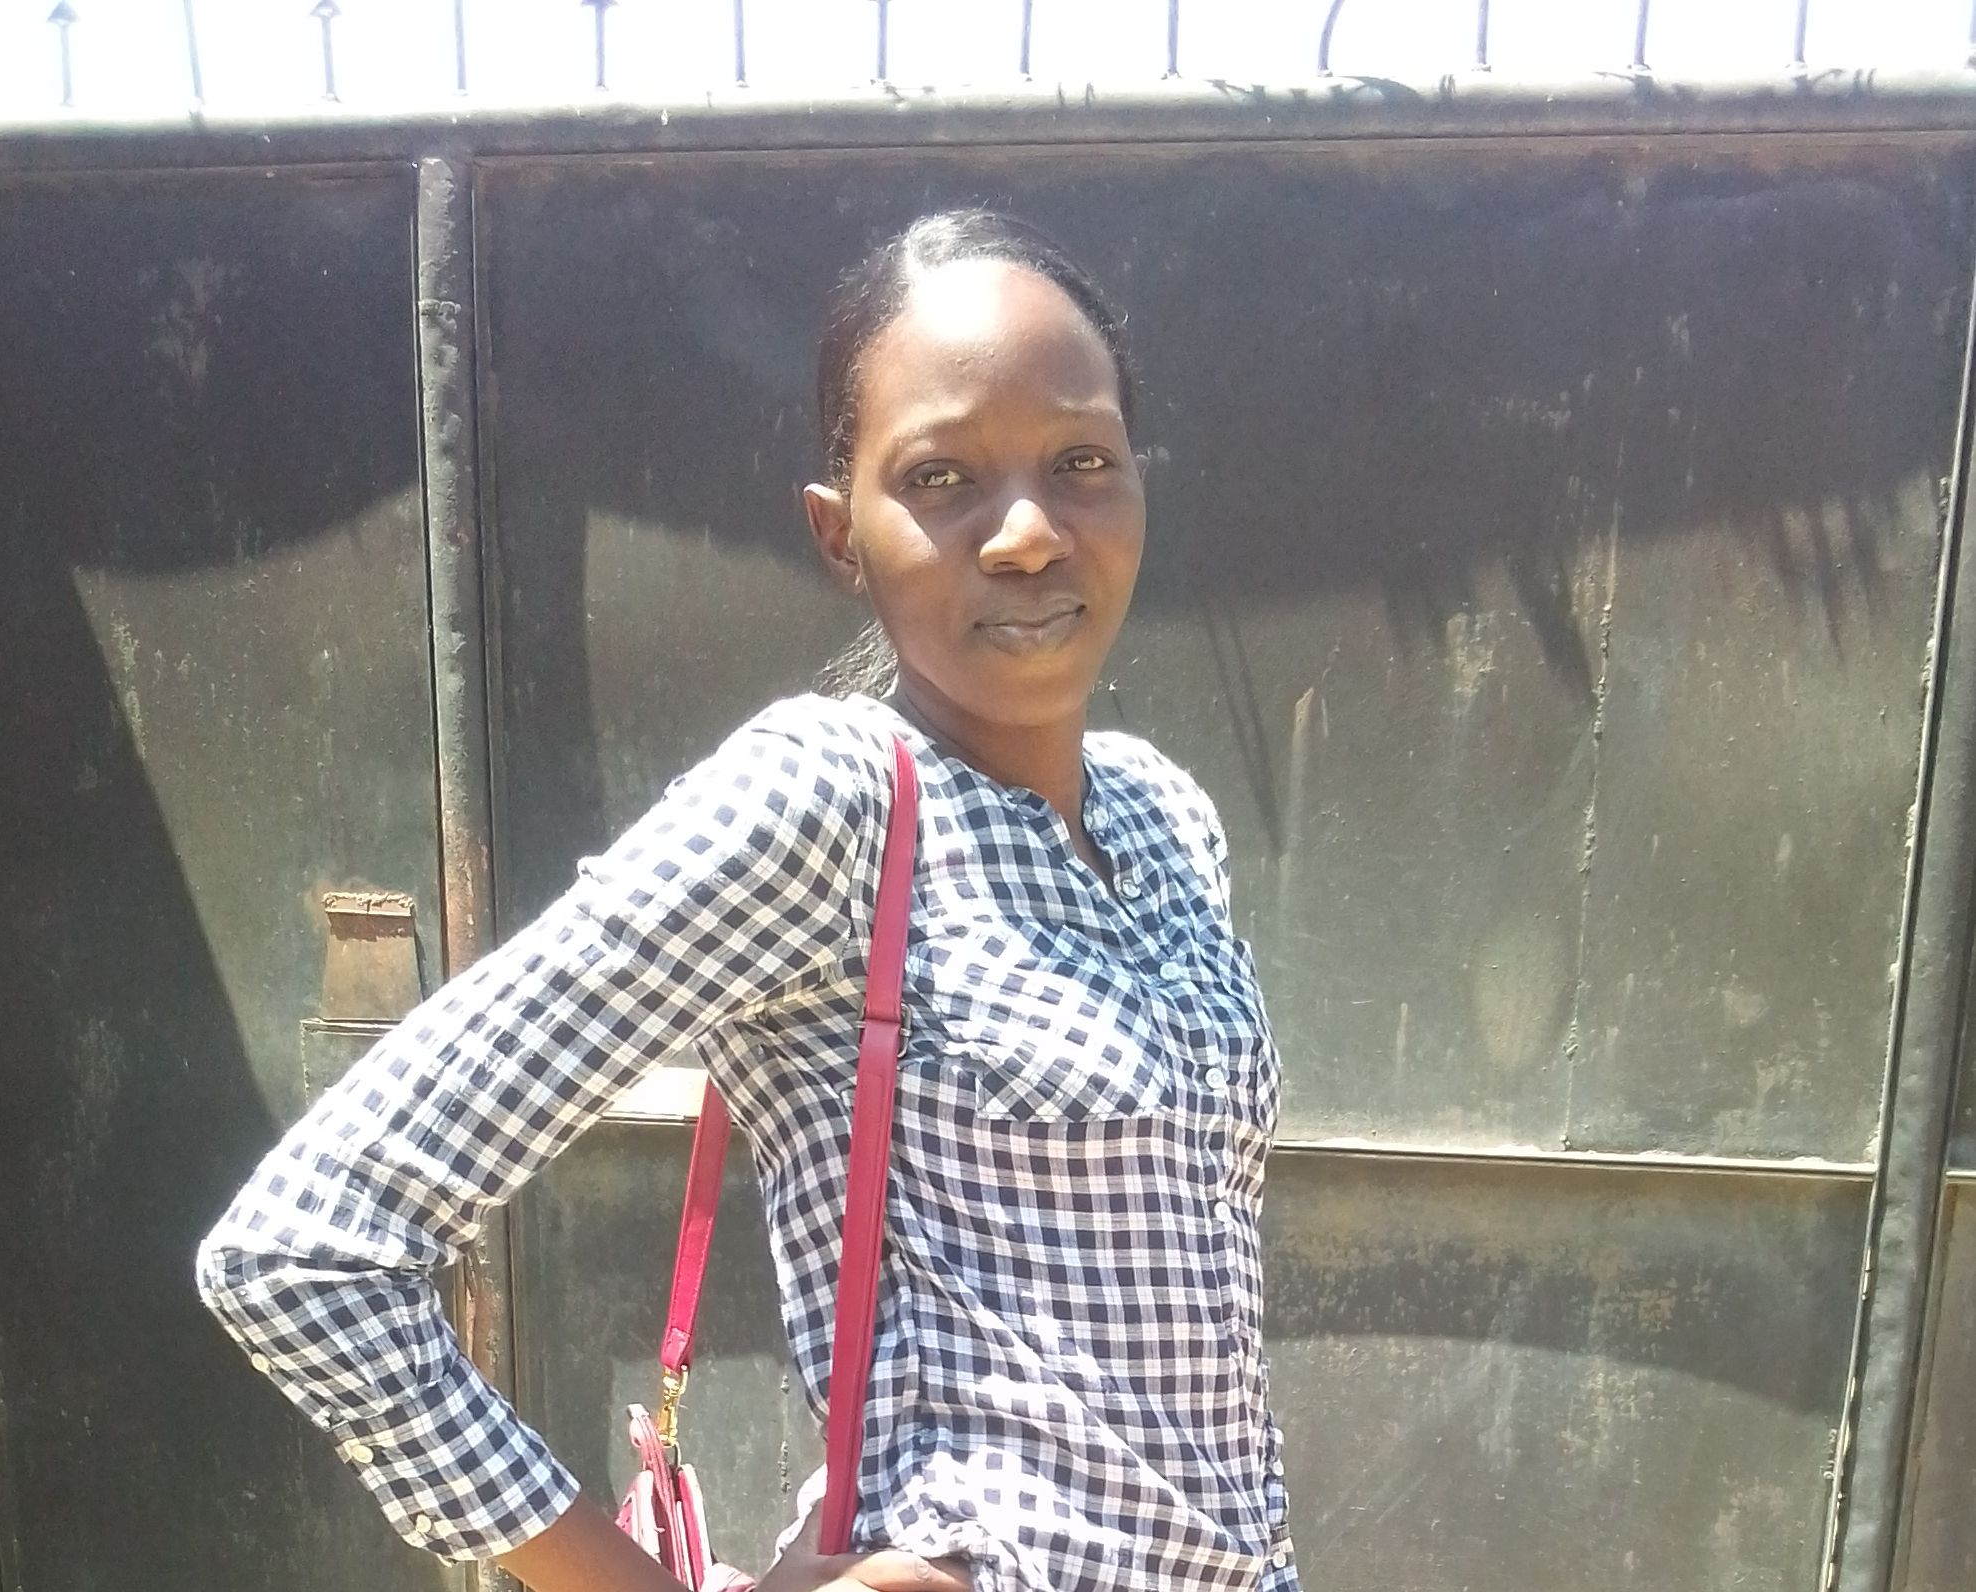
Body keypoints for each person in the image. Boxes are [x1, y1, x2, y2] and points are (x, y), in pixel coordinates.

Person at [196, 209, 1298, 1592]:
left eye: (1080, 462)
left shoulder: (1164, 817)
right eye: (942, 477)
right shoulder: (827, 803)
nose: (1026, 533)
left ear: (1139, 483)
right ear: (840, 535)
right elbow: (304, 1251)